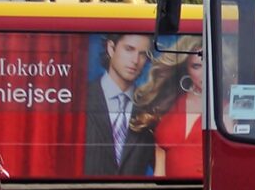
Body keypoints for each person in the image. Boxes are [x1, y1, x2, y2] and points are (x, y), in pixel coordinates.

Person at [128, 36, 204, 178]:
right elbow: (160, 165)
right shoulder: (169, 104)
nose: (204, 73)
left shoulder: (225, 109)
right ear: (186, 69)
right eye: (196, 66)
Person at [84, 33, 154, 176]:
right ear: (111, 48)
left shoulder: (150, 108)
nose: (135, 60)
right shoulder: (82, 98)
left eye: (143, 54)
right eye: (129, 49)